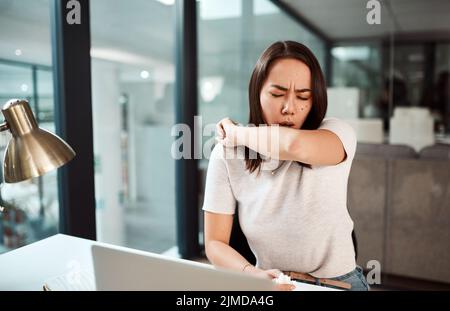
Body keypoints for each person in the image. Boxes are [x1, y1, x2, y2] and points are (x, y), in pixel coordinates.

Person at [202, 41, 369, 291]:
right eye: (277, 94)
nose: (289, 108)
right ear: (257, 93)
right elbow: (215, 244)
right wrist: (252, 274)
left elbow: (293, 146)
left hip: (339, 285)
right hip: (273, 284)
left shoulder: (336, 133)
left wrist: (235, 132)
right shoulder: (227, 154)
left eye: (303, 96)